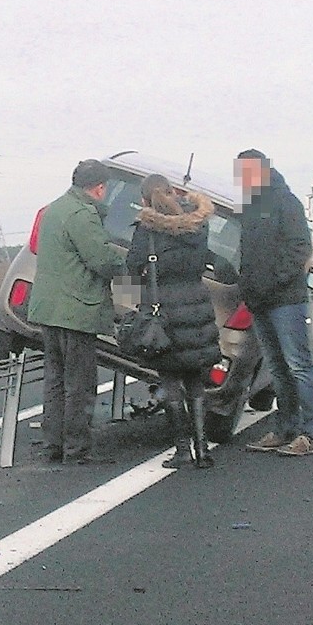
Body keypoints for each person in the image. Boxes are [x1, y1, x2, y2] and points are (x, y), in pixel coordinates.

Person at [28, 159, 125, 464]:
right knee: (80, 384)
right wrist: (133, 270)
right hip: (76, 310)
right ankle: (77, 449)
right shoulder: (83, 214)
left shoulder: (54, 209)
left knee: (55, 381)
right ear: (99, 188)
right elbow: (100, 260)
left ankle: (54, 445)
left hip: (49, 310)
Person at [126, 174, 220, 469]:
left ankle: (182, 450)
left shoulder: (147, 229)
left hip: (163, 314)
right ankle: (203, 450)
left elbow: (132, 267)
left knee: (169, 382)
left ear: (145, 199)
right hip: (196, 307)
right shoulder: (198, 224)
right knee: (195, 381)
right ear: (174, 193)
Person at [234, 149, 313, 456]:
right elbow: (247, 254)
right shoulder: (251, 206)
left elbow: (300, 248)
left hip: (285, 299)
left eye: (245, 172)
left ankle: (311, 433)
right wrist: (248, 286)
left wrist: (272, 281)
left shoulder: (286, 202)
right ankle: (285, 428)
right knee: (276, 370)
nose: (242, 179)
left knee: (297, 365)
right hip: (259, 301)